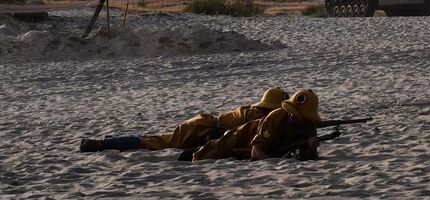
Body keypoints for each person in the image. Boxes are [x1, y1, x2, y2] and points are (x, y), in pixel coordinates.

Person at [79, 87, 289, 153]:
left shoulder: (253, 111)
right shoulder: (261, 117)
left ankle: (109, 141)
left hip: (202, 125)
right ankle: (100, 144)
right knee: (154, 143)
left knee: (156, 140)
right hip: (200, 128)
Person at [190, 88, 322, 161]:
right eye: (292, 111)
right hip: (237, 138)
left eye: (298, 114)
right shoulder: (275, 117)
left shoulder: (309, 125)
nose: (292, 115)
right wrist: (273, 161)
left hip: (257, 148)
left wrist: (311, 147)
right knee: (199, 157)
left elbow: (309, 157)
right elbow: (256, 151)